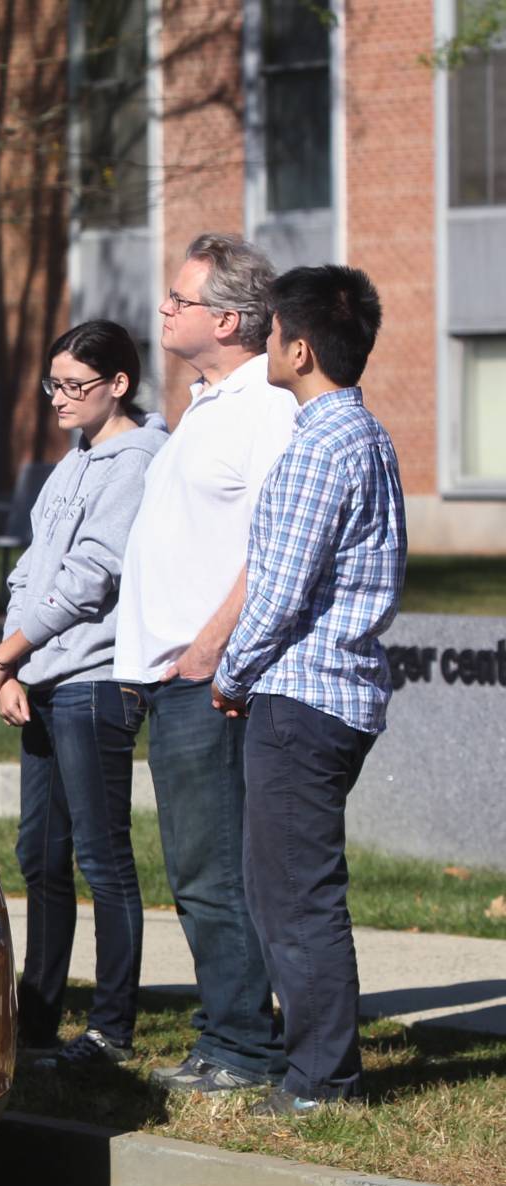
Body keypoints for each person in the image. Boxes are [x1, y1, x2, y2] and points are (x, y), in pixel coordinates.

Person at [212, 265, 405, 1115]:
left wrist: (230, 674)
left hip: (302, 697)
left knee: (295, 896)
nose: (263, 345)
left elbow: (279, 593)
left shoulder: (319, 448)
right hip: (339, 695)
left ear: (299, 350)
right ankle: (320, 1071)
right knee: (292, 888)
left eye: (273, 332)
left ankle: (323, 1082)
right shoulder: (367, 435)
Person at [113, 233, 296, 1094]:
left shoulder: (267, 408)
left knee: (212, 872)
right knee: (197, 871)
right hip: (169, 677)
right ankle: (231, 1036)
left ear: (227, 320)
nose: (164, 309)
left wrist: (208, 651)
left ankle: (241, 1048)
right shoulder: (205, 404)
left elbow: (275, 548)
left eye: (180, 299)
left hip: (207, 683)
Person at [0, 321, 166, 1069]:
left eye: (73, 386)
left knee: (102, 857)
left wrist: (7, 654)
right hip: (42, 680)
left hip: (96, 682)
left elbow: (93, 577)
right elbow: (31, 571)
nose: (58, 398)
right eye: (52, 384)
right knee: (40, 854)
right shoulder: (73, 462)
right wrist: (14, 666)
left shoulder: (138, 461)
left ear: (118, 384)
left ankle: (111, 1030)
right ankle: (38, 1018)